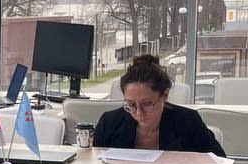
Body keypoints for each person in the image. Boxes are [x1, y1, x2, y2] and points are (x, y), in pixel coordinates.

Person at [94, 54, 223, 155]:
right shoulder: (109, 123)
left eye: (146, 104)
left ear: (165, 95)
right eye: (131, 105)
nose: (139, 113)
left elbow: (219, 162)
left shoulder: (188, 122)